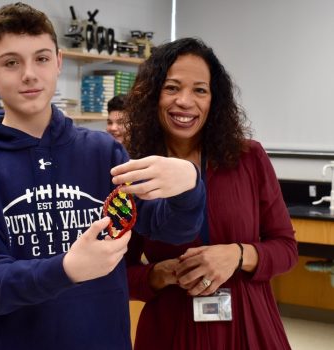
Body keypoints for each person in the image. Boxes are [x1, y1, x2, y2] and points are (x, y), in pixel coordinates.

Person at [0, 3, 206, 350]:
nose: (29, 74)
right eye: (11, 62)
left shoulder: (103, 152)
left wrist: (189, 186)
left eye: (41, 58)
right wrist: (66, 268)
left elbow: (172, 230)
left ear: (58, 61)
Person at [124, 37, 298, 349]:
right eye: (172, 87)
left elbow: (286, 248)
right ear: (151, 96)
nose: (185, 101)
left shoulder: (249, 158)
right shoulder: (135, 169)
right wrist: (157, 275)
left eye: (200, 90)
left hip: (249, 322)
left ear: (213, 100)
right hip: (171, 326)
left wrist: (238, 254)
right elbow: (117, 272)